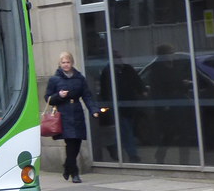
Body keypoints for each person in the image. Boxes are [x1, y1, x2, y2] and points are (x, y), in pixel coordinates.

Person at [44, 51, 100, 183]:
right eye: (63, 62)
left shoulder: (79, 78)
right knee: (70, 143)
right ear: (59, 64)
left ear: (72, 63)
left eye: (68, 62)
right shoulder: (54, 79)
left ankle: (67, 166)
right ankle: (74, 173)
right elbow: (48, 98)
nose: (66, 65)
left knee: (77, 142)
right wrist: (59, 95)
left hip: (77, 111)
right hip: (63, 113)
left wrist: (93, 110)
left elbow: (87, 95)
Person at [98, 50, 144, 162]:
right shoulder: (107, 71)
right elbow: (104, 90)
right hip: (117, 106)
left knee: (125, 130)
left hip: (130, 105)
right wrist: (107, 104)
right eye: (116, 57)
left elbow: (138, 83)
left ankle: (114, 148)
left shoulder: (127, 69)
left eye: (119, 57)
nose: (119, 59)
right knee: (125, 130)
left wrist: (142, 92)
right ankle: (132, 154)